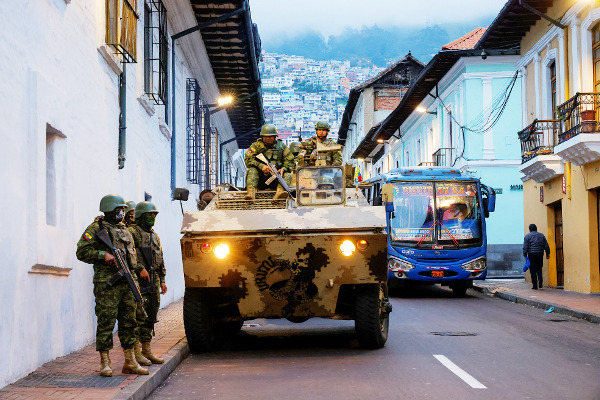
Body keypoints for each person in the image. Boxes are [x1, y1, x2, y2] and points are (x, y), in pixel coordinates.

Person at [76, 194, 148, 377]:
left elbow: (132, 257)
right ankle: (105, 362)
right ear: (109, 210)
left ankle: (130, 361)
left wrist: (138, 273)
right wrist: (103, 255)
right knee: (106, 321)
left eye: (123, 210)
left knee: (129, 322)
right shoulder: (96, 228)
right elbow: (81, 251)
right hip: (107, 285)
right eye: (119, 210)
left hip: (128, 282)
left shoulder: (126, 230)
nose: (122, 213)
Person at [129, 201, 167, 365]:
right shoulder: (132, 232)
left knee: (151, 314)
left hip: (154, 279)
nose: (152, 217)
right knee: (139, 315)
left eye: (154, 214)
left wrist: (163, 280)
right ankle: (136, 353)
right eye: (149, 215)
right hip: (139, 280)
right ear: (140, 216)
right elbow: (128, 255)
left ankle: (147, 349)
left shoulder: (154, 235)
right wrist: (139, 269)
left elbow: (160, 258)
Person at [244, 124, 294, 200]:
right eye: (265, 136)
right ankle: (250, 194)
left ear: (275, 137)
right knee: (252, 170)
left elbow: (290, 160)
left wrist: (283, 169)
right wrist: (261, 166)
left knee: (288, 175)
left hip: (276, 178)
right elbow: (248, 160)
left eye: (270, 136)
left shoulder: (282, 147)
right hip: (260, 178)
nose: (268, 138)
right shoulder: (255, 146)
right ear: (262, 136)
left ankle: (279, 194)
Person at [523, 223, 550, 289]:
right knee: (539, 268)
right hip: (540, 253)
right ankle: (540, 280)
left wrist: (525, 254)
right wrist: (547, 253)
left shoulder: (527, 236)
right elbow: (546, 245)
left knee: (532, 270)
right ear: (536, 228)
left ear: (530, 229)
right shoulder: (541, 235)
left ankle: (535, 285)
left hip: (531, 254)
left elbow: (525, 246)